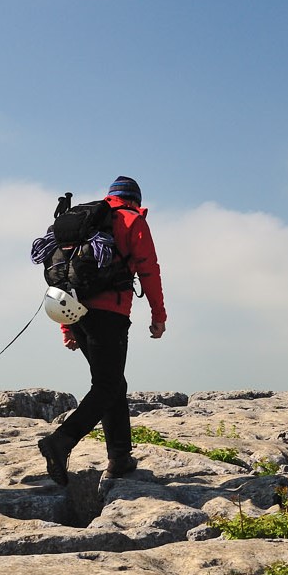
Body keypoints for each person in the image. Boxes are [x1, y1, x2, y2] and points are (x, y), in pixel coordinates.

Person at [37, 176, 167, 483]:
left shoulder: (82, 222)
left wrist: (67, 327)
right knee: (107, 386)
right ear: (135, 200)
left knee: (112, 383)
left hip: (74, 311)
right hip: (110, 314)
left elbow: (63, 277)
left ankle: (119, 457)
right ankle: (61, 441)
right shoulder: (132, 220)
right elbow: (149, 269)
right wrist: (158, 314)